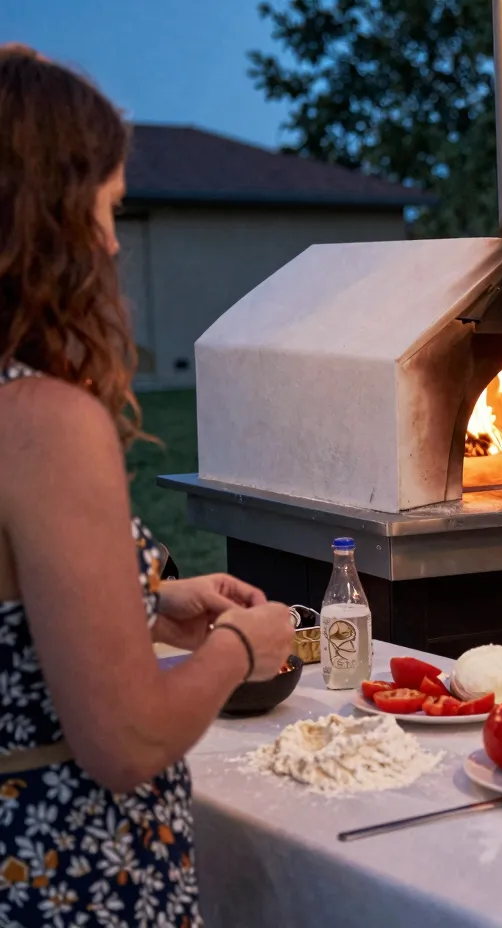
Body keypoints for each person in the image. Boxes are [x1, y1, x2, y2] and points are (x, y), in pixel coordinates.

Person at [0, 47, 294, 925]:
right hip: (64, 878)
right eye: (109, 206)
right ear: (49, 214)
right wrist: (242, 648)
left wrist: (151, 602)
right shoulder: (42, 421)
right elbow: (124, 742)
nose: (113, 240)